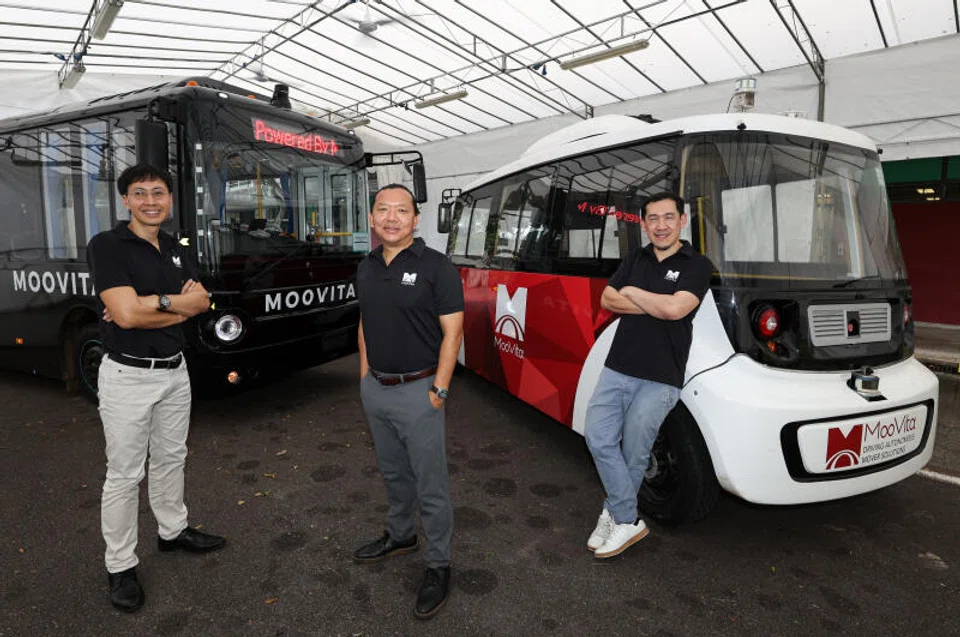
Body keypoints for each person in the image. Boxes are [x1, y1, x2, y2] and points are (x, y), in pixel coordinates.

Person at [87, 163, 226, 612]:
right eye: (141, 193)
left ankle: (172, 531)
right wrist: (174, 304)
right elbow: (125, 316)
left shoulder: (174, 246)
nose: (151, 201)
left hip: (174, 371)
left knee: (172, 457)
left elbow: (203, 300)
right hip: (128, 374)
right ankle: (121, 566)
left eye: (159, 192)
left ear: (169, 199)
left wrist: (156, 305)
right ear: (125, 200)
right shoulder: (107, 246)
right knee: (125, 474)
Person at [353, 183, 464, 620]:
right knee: (394, 473)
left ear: (416, 219)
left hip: (420, 393)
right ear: (372, 219)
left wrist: (438, 390)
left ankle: (438, 564)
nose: (392, 218)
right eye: (384, 210)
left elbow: (453, 333)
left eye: (402, 210)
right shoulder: (365, 267)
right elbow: (365, 321)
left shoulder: (437, 267)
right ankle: (401, 536)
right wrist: (364, 378)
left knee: (430, 484)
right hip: (376, 389)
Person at [584, 192, 714, 559]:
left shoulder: (697, 265)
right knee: (597, 438)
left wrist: (636, 292)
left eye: (668, 217)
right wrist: (655, 301)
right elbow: (607, 300)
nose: (660, 225)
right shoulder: (635, 257)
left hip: (661, 376)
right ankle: (626, 517)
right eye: (653, 218)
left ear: (682, 221)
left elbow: (675, 309)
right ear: (643, 224)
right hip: (617, 367)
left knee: (635, 452)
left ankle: (614, 514)